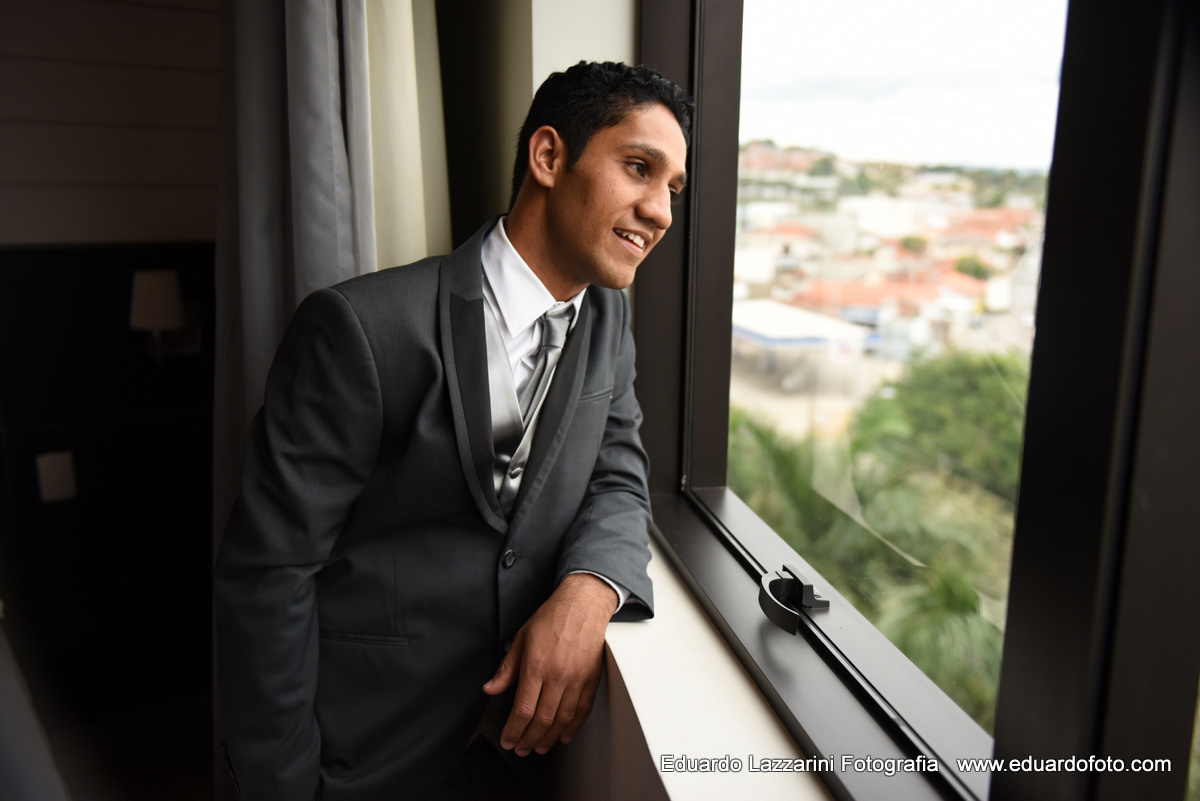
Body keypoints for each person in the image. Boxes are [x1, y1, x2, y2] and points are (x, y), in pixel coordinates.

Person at [214, 61, 692, 800]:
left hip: (518, 760)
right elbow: (269, 577)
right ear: (548, 157)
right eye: (639, 168)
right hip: (360, 758)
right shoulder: (360, 328)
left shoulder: (607, 319)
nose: (660, 209)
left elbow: (618, 473)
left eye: (673, 188)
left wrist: (589, 590)